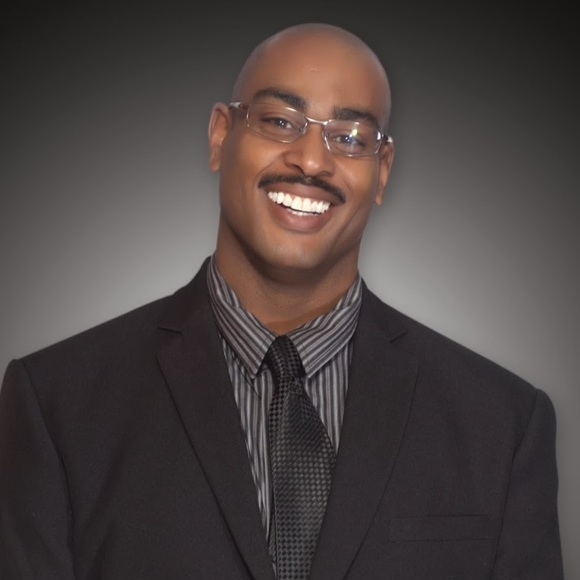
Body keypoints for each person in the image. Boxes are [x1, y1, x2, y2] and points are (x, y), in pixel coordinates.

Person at [0, 22, 563, 580]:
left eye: (349, 137)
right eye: (279, 121)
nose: (312, 161)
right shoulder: (56, 405)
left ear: (382, 171)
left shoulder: (503, 425)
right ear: (221, 135)